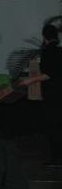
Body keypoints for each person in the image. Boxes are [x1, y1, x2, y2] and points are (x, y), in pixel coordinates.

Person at [19, 24, 62, 166]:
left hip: (52, 96)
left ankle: (56, 158)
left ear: (44, 37)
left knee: (53, 127)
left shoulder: (49, 52)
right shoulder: (59, 51)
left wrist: (30, 80)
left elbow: (49, 74)